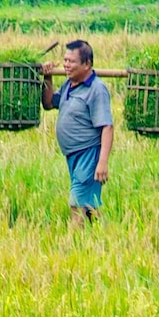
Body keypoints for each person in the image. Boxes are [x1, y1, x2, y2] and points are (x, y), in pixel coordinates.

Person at [41, 40, 114, 228]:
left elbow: (107, 126)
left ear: (87, 64)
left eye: (71, 61)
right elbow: (49, 103)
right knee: (89, 205)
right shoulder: (69, 85)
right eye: (65, 60)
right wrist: (47, 78)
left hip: (89, 154)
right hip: (73, 156)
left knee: (77, 203)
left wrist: (102, 162)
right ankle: (103, 238)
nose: (66, 65)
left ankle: (74, 247)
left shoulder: (96, 89)